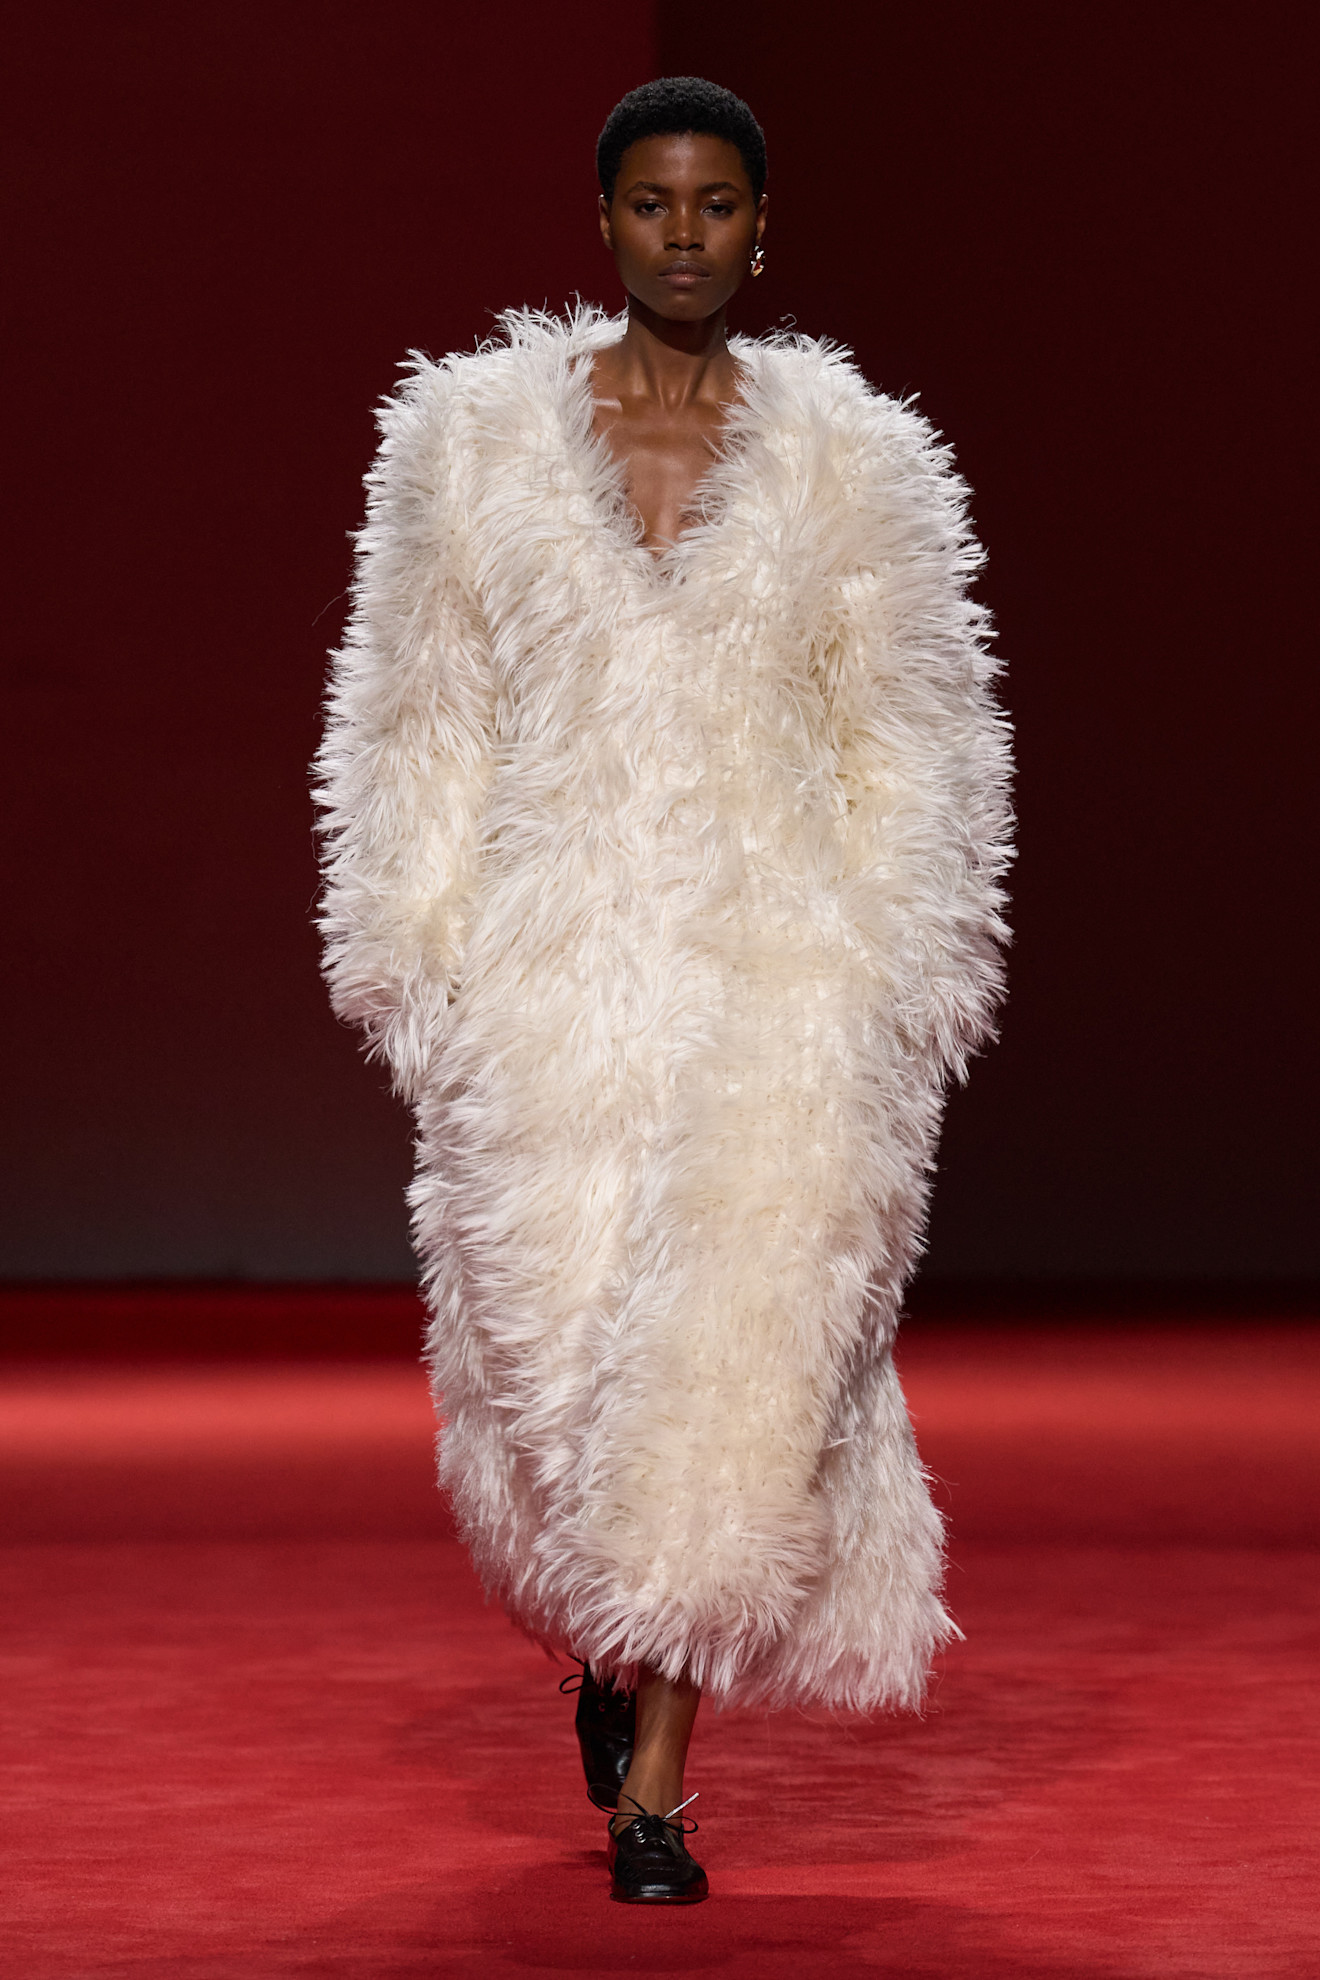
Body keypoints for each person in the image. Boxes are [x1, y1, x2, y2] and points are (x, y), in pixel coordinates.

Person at [315, 76, 1012, 1905]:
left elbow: (918, 728)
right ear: (603, 221)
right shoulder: (468, 444)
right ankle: (611, 1652)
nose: (683, 235)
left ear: (760, 230)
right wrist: (413, 936)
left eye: (714, 207)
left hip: (781, 963)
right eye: (650, 204)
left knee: (739, 1364)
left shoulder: (856, 457)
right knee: (549, 1356)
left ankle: (659, 1789)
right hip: (557, 956)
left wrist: (904, 959)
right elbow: (416, 699)